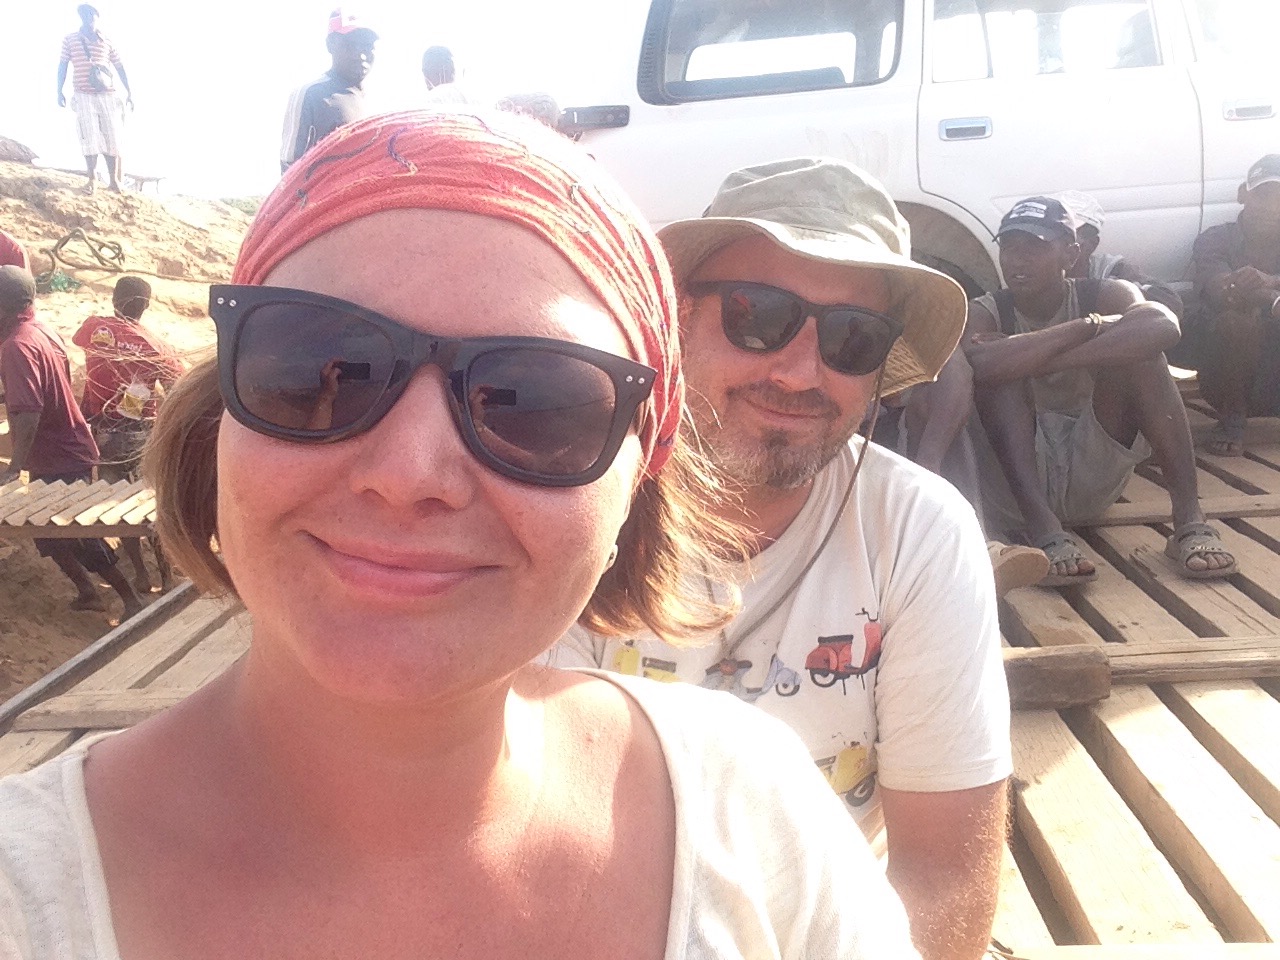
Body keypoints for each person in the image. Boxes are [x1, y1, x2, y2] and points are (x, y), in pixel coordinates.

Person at [0, 113, 919, 959]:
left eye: (536, 403)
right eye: (315, 369)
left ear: (636, 490)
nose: (408, 474)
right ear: (216, 427)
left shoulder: (751, 810)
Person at [549, 157, 1012, 960]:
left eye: (852, 339)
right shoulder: (577, 500)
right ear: (679, 319)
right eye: (756, 316)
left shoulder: (918, 533)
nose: (800, 373)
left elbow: (942, 873)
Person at [964, 196, 1236, 583]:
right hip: (1015, 490)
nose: (1017, 260)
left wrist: (1037, 354)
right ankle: (1044, 529)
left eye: (1035, 247)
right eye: (1009, 247)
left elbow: (1162, 326)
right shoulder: (986, 309)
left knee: (1145, 359)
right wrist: (1087, 328)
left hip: (1091, 470)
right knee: (999, 375)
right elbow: (981, 365)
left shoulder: (1106, 293)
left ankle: (1190, 521)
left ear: (1071, 254)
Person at [0, 265, 142, 618]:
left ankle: (131, 601)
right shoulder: (40, 330)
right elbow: (46, 388)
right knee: (45, 532)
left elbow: (29, 412)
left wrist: (14, 468)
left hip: (61, 454)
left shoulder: (16, 346)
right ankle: (88, 592)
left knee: (77, 532)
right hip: (62, 448)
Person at [72, 275, 184, 592]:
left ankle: (140, 574)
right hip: (141, 435)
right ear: (145, 305)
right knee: (150, 503)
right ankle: (167, 576)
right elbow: (176, 388)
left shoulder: (94, 328)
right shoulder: (155, 345)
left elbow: (81, 344)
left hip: (105, 434)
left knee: (118, 507)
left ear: (113, 299)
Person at [1175, 154, 1280, 457]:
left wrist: (1270, 281)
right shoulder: (1215, 238)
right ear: (1242, 194)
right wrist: (1270, 298)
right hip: (1223, 357)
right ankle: (1232, 419)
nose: (1272, 207)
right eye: (1263, 195)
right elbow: (1222, 291)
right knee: (1236, 321)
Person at [1056, 190, 1184, 318]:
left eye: (1067, 237)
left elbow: (1171, 305)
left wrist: (1117, 293)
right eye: (1050, 235)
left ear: (1091, 245)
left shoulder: (1111, 270)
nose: (1055, 245)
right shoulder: (1044, 273)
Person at [279, 9, 378, 173]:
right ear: (330, 44)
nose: (360, 55)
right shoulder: (311, 95)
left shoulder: (377, 103)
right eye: (351, 45)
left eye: (367, 46)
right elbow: (289, 167)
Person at [56, 4, 133, 195]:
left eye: (91, 13)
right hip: (83, 93)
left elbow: (120, 66)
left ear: (97, 16)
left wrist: (129, 91)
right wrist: (59, 90)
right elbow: (63, 65)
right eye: (84, 13)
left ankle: (114, 180)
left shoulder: (106, 41)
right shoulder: (70, 39)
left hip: (107, 94)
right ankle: (92, 179)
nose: (88, 16)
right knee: (89, 135)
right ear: (79, 16)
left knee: (112, 136)